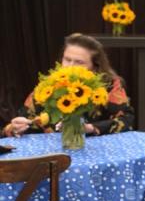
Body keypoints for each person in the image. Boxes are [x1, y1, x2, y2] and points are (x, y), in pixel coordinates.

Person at [3, 32, 135, 137]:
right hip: (53, 152)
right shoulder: (49, 85)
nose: (70, 66)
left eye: (79, 62)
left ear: (95, 67)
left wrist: (90, 128)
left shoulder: (109, 84)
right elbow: (27, 121)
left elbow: (126, 120)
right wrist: (14, 128)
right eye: (67, 60)